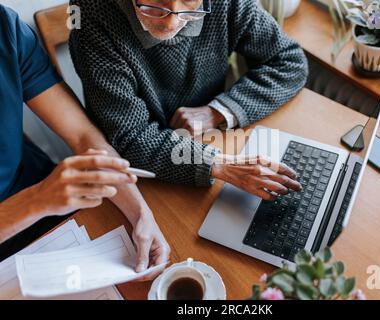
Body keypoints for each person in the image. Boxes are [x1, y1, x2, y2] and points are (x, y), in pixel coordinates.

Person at [69, 0, 308, 200]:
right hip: (133, 173)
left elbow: (289, 61)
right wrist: (219, 165)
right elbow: (130, 138)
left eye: (190, 3)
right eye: (155, 4)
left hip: (210, 139)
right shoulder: (89, 12)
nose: (171, 22)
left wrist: (218, 112)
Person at [0, 4, 169, 278]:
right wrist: (35, 201)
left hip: (47, 200)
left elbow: (81, 134)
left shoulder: (5, 26)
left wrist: (141, 214)